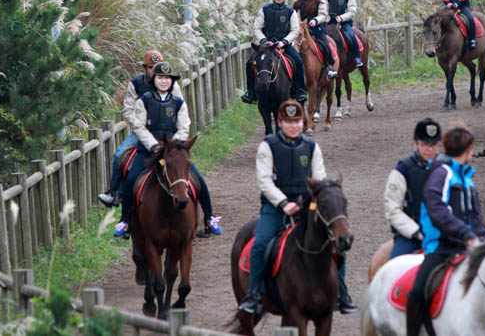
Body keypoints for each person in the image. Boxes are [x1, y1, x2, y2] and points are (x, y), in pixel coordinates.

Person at [237, 100, 359, 316]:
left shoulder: (312, 147)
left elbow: (319, 178)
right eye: (288, 122)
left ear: (303, 122)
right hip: (275, 208)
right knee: (261, 243)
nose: (293, 126)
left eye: (297, 122)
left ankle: (342, 294)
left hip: (306, 207)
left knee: (336, 243)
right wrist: (284, 203)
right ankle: (254, 294)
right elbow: (264, 181)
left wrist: (311, 201)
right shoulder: (268, 146)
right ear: (280, 122)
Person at [113, 61, 222, 238]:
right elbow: (139, 127)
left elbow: (184, 126)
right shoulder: (144, 101)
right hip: (149, 150)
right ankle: (125, 220)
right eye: (160, 78)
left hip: (173, 151)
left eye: (167, 78)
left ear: (172, 81)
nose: (164, 81)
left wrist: (173, 147)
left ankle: (209, 217)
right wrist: (154, 145)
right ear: (153, 80)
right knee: (131, 179)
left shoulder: (178, 102)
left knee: (198, 181)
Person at [405, 123, 485, 336]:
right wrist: (465, 234)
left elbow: (475, 215)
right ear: (468, 149)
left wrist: (483, 236)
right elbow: (437, 210)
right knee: (418, 291)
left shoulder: (466, 176)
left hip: (468, 246)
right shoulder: (442, 174)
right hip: (441, 246)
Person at [98, 50, 182, 208]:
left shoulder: (171, 84)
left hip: (167, 132)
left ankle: (202, 210)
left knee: (183, 161)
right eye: (150, 67)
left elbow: (180, 107)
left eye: (157, 66)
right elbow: (128, 109)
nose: (154, 69)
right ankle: (116, 193)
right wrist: (140, 125)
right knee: (118, 155)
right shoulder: (136, 84)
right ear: (145, 68)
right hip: (142, 131)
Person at [384, 118, 441, 260]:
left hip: (442, 234)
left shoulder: (446, 169)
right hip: (411, 237)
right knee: (395, 267)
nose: (430, 149)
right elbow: (392, 209)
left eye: (434, 145)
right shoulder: (403, 170)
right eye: (425, 144)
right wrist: (415, 232)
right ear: (416, 143)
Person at [241, 0, 308, 105]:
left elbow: (295, 30)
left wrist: (283, 42)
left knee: (298, 61)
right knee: (250, 63)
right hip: (266, 45)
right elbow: (257, 27)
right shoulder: (264, 10)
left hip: (284, 45)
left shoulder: (290, 11)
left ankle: (299, 91)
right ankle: (251, 92)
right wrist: (264, 41)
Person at [292, 0, 338, 81]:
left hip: (317, 28)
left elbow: (323, 14)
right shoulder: (298, 2)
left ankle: (329, 67)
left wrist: (315, 20)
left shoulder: (320, 1)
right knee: (293, 44)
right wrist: (299, 23)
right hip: (303, 29)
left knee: (325, 45)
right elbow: (295, 15)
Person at [326, 0, 363, 68]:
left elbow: (352, 11)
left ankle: (357, 58)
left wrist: (341, 18)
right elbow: (324, 9)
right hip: (331, 23)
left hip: (344, 23)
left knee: (351, 36)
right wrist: (326, 16)